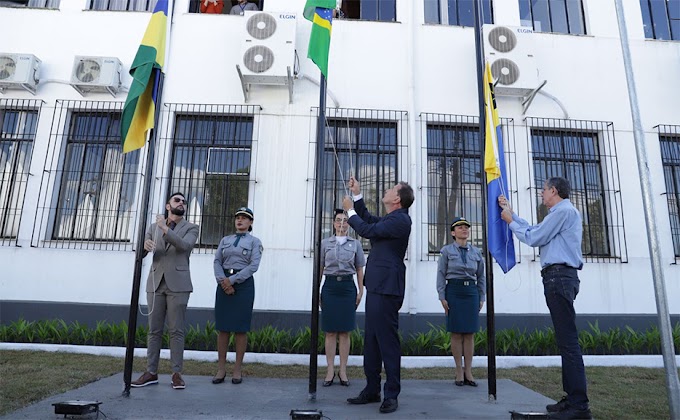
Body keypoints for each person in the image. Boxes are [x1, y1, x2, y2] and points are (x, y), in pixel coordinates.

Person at [499, 176, 592, 420]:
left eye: (543, 190)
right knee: (565, 342)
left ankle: (579, 406)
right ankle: (572, 399)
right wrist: (512, 216)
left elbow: (534, 237)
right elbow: (534, 230)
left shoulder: (564, 211)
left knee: (569, 343)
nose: (541, 194)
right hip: (558, 277)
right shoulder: (558, 215)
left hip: (560, 277)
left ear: (554, 190)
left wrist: (510, 222)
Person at [343, 176, 414, 414]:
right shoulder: (391, 219)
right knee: (371, 340)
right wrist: (358, 196)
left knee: (387, 342)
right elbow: (371, 222)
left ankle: (391, 393)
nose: (387, 189)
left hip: (387, 288)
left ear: (398, 199)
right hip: (378, 287)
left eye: (392, 189)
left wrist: (350, 212)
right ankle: (372, 389)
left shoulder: (401, 220)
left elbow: (365, 228)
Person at [131, 192, 199, 390]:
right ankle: (151, 372)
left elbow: (184, 246)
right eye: (177, 200)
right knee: (154, 330)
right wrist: (144, 246)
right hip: (155, 282)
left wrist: (164, 228)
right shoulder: (153, 228)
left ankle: (176, 373)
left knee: (176, 330)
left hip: (179, 284)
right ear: (168, 205)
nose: (182, 203)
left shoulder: (192, 228)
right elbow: (141, 253)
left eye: (184, 201)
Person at [212, 207, 263, 385]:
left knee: (241, 328)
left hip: (243, 285)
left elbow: (253, 265)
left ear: (250, 223)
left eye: (244, 218)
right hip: (224, 284)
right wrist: (223, 281)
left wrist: (232, 281)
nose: (240, 221)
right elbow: (217, 261)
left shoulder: (255, 242)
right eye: (238, 218)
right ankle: (221, 369)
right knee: (223, 328)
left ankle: (237, 369)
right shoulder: (225, 240)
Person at [436, 217, 485, 387]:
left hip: (471, 292)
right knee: (456, 332)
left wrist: (481, 296)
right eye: (460, 227)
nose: (464, 230)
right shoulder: (447, 251)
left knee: (470, 332)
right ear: (453, 232)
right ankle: (458, 370)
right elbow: (441, 275)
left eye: (466, 227)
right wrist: (442, 296)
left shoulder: (476, 252)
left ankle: (468, 371)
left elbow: (481, 276)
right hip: (454, 292)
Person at [320, 209, 366, 387]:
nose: (342, 223)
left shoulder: (355, 244)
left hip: (347, 288)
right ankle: (330, 369)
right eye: (338, 220)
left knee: (345, 331)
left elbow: (360, 268)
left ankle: (343, 370)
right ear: (333, 223)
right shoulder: (325, 243)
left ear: (349, 224)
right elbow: (320, 267)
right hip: (330, 287)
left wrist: (361, 291)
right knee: (330, 331)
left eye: (345, 220)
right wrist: (316, 290)